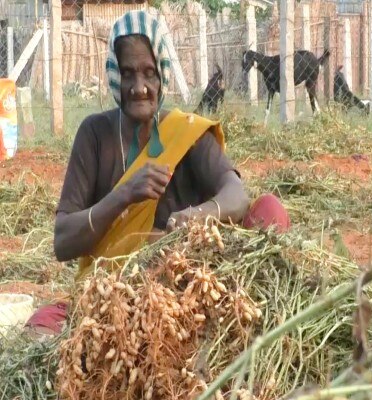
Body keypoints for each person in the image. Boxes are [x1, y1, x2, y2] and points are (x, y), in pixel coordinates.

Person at [26, 10, 290, 336]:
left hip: (184, 298)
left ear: (162, 74)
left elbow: (236, 194)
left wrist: (197, 215)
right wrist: (123, 195)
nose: (139, 88)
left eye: (149, 73)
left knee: (269, 210)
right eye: (128, 74)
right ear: (114, 76)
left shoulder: (185, 132)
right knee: (40, 329)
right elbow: (63, 241)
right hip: (111, 300)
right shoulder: (95, 135)